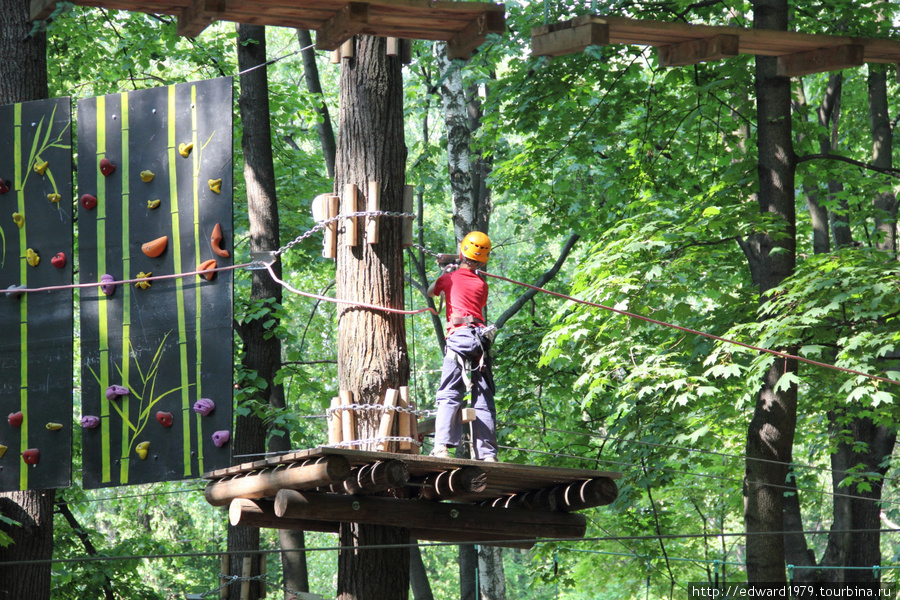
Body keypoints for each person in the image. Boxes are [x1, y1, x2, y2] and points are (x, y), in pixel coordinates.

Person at [427, 231, 498, 462]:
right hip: (480, 341)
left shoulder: (449, 278)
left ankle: (441, 448)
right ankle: (487, 455)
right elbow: (478, 302)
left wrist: (446, 273)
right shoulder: (482, 284)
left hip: (459, 338)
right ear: (483, 260)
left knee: (449, 393)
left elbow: (431, 292)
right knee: (483, 397)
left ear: (462, 252)